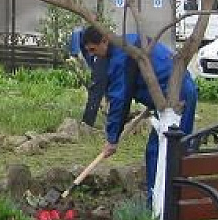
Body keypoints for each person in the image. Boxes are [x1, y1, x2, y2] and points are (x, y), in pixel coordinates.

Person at [82, 26, 197, 204]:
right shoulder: (129, 41)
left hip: (176, 97)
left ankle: (161, 206)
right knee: (167, 151)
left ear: (105, 40)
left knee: (162, 151)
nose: (92, 55)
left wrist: (112, 139)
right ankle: (170, 203)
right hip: (175, 93)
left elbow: (120, 98)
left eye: (93, 49)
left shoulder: (121, 56)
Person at [69, 28, 109, 128]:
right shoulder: (81, 34)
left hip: (100, 62)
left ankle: (87, 124)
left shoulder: (80, 33)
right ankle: (88, 124)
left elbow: (78, 54)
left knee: (96, 94)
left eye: (92, 50)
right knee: (96, 94)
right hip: (97, 63)